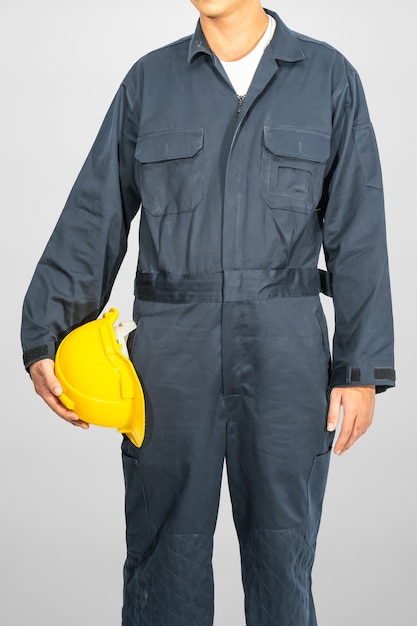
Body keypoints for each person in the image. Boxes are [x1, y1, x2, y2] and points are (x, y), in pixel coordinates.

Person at [21, 1, 395, 624]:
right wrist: (44, 336)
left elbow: (359, 229)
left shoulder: (329, 79)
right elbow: (95, 212)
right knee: (164, 561)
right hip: (170, 357)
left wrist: (360, 367)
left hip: (285, 352)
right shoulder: (151, 82)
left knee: (283, 563)